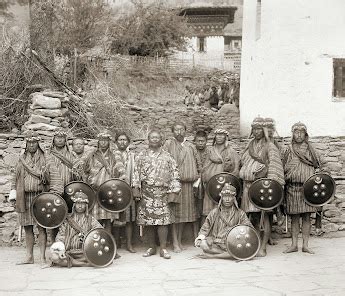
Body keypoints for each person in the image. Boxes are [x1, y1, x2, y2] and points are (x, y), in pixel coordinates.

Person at [9, 130, 62, 264]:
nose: (31, 145)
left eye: (34, 142)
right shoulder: (21, 159)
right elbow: (14, 178)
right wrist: (13, 194)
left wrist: (54, 194)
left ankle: (43, 257)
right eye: (29, 142)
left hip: (41, 197)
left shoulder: (46, 158)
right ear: (26, 144)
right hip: (24, 197)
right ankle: (29, 256)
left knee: (41, 227)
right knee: (27, 227)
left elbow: (55, 176)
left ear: (38, 143)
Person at [239, 117, 285, 257]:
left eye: (259, 129)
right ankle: (255, 243)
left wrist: (269, 184)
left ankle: (263, 247)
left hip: (262, 187)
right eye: (254, 129)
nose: (256, 132)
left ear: (264, 130)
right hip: (248, 186)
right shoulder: (249, 145)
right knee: (252, 217)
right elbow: (243, 162)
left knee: (264, 217)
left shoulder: (270, 146)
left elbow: (275, 165)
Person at [132, 129, 181, 259]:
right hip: (147, 193)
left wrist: (174, 191)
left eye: (157, 137)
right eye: (152, 137)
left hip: (163, 193)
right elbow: (135, 173)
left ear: (161, 140)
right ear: (148, 140)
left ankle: (163, 248)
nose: (154, 139)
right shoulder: (141, 156)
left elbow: (175, 174)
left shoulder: (168, 157)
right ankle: (151, 247)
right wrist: (136, 189)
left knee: (163, 221)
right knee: (148, 221)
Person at [283, 122, 327, 254]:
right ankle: (294, 245)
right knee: (294, 218)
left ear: (305, 134)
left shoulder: (311, 150)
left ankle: (306, 245)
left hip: (308, 189)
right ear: (293, 134)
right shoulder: (288, 150)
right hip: (292, 188)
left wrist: (320, 176)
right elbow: (282, 166)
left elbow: (323, 164)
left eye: (301, 132)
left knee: (307, 217)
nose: (299, 135)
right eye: (296, 132)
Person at [164, 122, 201, 252]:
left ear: (186, 131)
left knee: (185, 215)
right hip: (174, 185)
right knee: (175, 215)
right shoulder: (169, 144)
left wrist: (197, 180)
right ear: (172, 132)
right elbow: (165, 162)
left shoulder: (191, 146)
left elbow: (198, 163)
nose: (179, 132)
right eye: (176, 130)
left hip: (189, 186)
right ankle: (174, 242)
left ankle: (179, 240)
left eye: (181, 129)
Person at [83, 130, 126, 234]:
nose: (103, 143)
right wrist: (88, 181)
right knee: (95, 219)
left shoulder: (114, 155)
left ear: (109, 142)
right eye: (101, 140)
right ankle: (95, 242)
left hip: (109, 191)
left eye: (105, 140)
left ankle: (108, 242)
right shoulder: (91, 155)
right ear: (98, 142)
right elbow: (84, 170)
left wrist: (121, 178)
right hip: (94, 190)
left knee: (108, 219)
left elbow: (121, 168)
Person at [194, 183, 252, 259]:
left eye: (230, 197)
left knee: (241, 249)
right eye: (225, 196)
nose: (227, 199)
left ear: (234, 198)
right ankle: (228, 255)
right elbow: (205, 227)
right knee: (203, 244)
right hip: (216, 243)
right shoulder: (214, 212)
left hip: (232, 243)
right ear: (222, 198)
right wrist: (201, 237)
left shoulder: (240, 213)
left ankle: (213, 256)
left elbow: (249, 229)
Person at [50, 191, 103, 267]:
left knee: (99, 255)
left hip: (85, 252)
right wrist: (61, 250)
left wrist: (89, 238)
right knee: (54, 257)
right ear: (74, 205)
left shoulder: (91, 220)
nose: (80, 206)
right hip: (69, 252)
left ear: (86, 205)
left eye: (82, 203)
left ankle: (73, 263)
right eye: (78, 203)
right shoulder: (67, 220)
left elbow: (99, 232)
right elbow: (60, 236)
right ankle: (83, 264)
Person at [201, 128, 240, 225]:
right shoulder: (209, 151)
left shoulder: (231, 152)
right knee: (209, 211)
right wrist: (206, 177)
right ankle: (207, 232)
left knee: (224, 209)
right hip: (211, 185)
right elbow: (205, 167)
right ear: (215, 136)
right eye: (218, 134)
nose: (219, 137)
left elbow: (236, 169)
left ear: (226, 137)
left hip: (225, 186)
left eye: (222, 135)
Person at [115, 132, 137, 253]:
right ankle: (116, 243)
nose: (122, 142)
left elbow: (135, 172)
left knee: (129, 219)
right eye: (120, 140)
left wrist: (134, 188)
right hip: (114, 190)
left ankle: (129, 244)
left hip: (128, 189)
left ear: (128, 142)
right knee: (116, 218)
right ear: (116, 142)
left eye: (124, 140)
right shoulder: (112, 155)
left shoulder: (132, 156)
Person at [193, 130, 210, 220]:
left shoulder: (210, 152)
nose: (200, 143)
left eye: (202, 141)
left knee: (205, 207)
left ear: (206, 141)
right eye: (198, 141)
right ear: (195, 141)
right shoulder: (192, 151)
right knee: (194, 206)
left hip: (206, 182)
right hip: (194, 181)